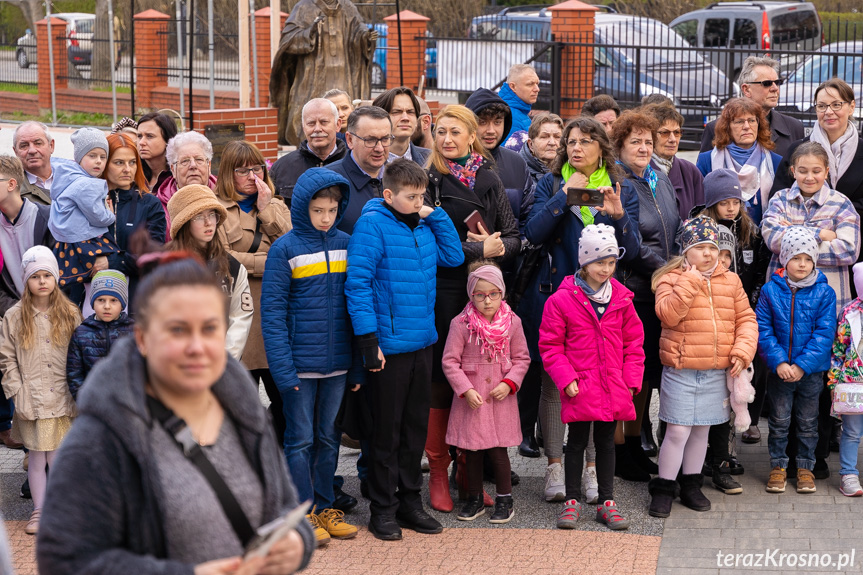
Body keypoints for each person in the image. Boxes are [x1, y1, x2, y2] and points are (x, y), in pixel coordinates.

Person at [36, 256, 314, 574]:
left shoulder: (244, 411)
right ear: (142, 338)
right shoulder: (103, 434)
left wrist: (297, 542)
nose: (196, 346)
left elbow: (284, 507)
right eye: (178, 330)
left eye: (209, 328)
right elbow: (63, 560)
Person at [520, 116, 640, 505]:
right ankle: (556, 464)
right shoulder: (551, 183)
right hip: (558, 296)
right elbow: (532, 233)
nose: (575, 148)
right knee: (556, 384)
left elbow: (633, 250)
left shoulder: (619, 186)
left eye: (586, 141)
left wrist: (619, 215)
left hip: (604, 303)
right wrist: (562, 197)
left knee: (596, 384)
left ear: (601, 146)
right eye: (571, 141)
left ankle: (591, 469)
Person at [346, 158, 463, 540]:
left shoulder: (426, 222)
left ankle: (411, 503)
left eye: (422, 196)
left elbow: (454, 257)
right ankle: (383, 509)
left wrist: (434, 213)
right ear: (388, 195)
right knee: (385, 433)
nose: (418, 202)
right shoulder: (372, 225)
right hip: (387, 348)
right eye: (411, 197)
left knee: (414, 430)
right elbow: (358, 285)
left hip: (422, 343)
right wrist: (369, 342)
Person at [423, 105, 520, 512]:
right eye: (440, 131)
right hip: (446, 291)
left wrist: (499, 248)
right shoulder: (429, 180)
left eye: (455, 131)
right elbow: (427, 240)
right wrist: (480, 247)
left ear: (470, 136)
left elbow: (514, 237)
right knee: (445, 379)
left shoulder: (489, 178)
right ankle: (440, 470)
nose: (447, 139)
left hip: (487, 296)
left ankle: (471, 468)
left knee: (482, 380)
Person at [261, 167, 361, 545]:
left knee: (328, 438)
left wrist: (357, 367)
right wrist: (283, 373)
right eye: (317, 210)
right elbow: (272, 317)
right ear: (302, 207)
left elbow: (356, 308)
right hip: (299, 368)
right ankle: (301, 514)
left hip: (337, 365)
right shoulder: (285, 249)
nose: (325, 217)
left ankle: (324, 506)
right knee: (299, 440)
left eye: (331, 210)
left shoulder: (347, 244)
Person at [648, 216, 758, 518]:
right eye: (700, 247)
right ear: (686, 251)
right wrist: (691, 281)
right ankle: (664, 486)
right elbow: (668, 316)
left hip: (715, 371)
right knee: (678, 431)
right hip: (682, 370)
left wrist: (742, 351)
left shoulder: (731, 281)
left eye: (712, 246)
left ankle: (691, 484)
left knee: (701, 431)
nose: (709, 253)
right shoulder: (670, 279)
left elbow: (746, 320)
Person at [539, 224, 645, 531]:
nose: (607, 269)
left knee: (606, 443)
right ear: (584, 261)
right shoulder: (561, 300)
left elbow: (633, 343)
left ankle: (606, 502)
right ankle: (572, 501)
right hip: (580, 385)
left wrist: (631, 378)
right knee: (575, 443)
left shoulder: (623, 299)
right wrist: (565, 376)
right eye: (600, 262)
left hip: (613, 385)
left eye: (612, 262)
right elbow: (550, 345)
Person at [611, 109, 680, 481]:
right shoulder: (619, 182)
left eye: (647, 142)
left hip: (659, 291)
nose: (643, 147)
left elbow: (675, 226)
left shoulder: (659, 179)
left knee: (648, 375)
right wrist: (669, 269)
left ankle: (637, 443)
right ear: (619, 146)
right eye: (634, 141)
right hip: (633, 291)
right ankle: (621, 451)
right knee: (629, 376)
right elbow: (631, 245)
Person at [695, 169, 771, 486]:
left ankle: (725, 457)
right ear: (711, 203)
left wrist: (749, 303)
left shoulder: (750, 232)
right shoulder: (699, 231)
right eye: (723, 202)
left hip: (740, 314)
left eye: (735, 201)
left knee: (732, 395)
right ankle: (698, 462)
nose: (730, 208)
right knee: (705, 396)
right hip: (705, 321)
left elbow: (758, 272)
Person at [0, 246, 81, 535]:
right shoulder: (14, 316)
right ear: (26, 281)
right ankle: (39, 510)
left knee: (57, 456)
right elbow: (6, 356)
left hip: (62, 396)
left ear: (56, 277)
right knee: (36, 457)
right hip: (30, 399)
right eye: (36, 276)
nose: (43, 281)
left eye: (48, 275)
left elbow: (78, 353)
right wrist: (15, 390)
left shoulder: (70, 313)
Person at [214, 141, 292, 441]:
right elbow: (222, 258)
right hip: (238, 314)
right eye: (242, 170)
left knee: (287, 401)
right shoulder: (217, 209)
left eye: (256, 168)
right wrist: (271, 261)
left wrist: (266, 211)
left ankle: (277, 458)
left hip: (276, 315)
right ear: (227, 174)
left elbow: (293, 250)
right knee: (238, 404)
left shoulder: (276, 205)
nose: (251, 176)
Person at [443, 261, 530, 524]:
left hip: (500, 399)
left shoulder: (513, 323)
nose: (487, 301)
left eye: (493, 294)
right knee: (473, 452)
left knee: (498, 452)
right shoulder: (460, 324)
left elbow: (522, 358)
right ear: (471, 295)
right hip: (474, 401)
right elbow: (449, 361)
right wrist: (465, 389)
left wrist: (509, 383)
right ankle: (474, 498)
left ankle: (505, 499)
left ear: (502, 293)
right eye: (480, 295)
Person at [757, 227, 836, 494]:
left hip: (810, 373)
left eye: (807, 258)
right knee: (778, 421)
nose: (802, 264)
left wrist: (802, 365)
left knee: (808, 422)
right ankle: (778, 467)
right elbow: (763, 329)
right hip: (780, 372)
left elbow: (825, 334)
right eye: (796, 258)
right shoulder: (770, 291)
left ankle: (805, 468)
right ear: (784, 259)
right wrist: (779, 362)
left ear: (814, 261)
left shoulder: (825, 293)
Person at [762, 142, 860, 315]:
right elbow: (772, 238)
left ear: (826, 172)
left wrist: (793, 232)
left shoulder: (841, 203)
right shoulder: (780, 199)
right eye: (802, 171)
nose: (809, 177)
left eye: (816, 171)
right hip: (784, 303)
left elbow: (848, 250)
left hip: (828, 305)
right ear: (793, 171)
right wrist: (820, 234)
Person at [0, 155, 54, 451]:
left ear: (11, 184)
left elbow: (60, 273)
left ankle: (47, 459)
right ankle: (22, 443)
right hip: (13, 312)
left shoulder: (45, 217)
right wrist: (16, 312)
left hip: (49, 310)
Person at [270, 0, 376, 146]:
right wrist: (309, 33)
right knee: (308, 119)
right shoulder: (303, 7)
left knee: (345, 115)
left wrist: (366, 38)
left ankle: (347, 145)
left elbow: (360, 31)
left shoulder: (348, 7)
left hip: (344, 75)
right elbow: (288, 40)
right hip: (313, 77)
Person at [166, 185, 253, 361]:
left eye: (211, 215)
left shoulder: (232, 267)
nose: (208, 223)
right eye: (199, 217)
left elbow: (240, 317)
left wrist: (224, 360)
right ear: (184, 223)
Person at [771, 78, 863, 228]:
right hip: (800, 243)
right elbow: (779, 197)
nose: (828, 112)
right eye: (822, 106)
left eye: (836, 105)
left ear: (851, 107)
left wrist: (832, 216)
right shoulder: (796, 150)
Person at [48, 128, 120, 306]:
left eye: (103, 157)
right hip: (83, 241)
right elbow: (97, 215)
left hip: (65, 240)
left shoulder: (68, 177)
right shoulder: (85, 184)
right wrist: (111, 216)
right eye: (92, 156)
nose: (98, 161)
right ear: (79, 158)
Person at [101, 133, 168, 309]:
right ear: (104, 164)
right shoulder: (89, 202)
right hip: (93, 304)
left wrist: (112, 262)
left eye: (132, 162)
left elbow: (153, 258)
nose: (127, 169)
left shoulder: (149, 204)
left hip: (137, 304)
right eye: (119, 163)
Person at [696, 98, 782, 225]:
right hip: (720, 236)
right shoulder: (707, 160)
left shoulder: (775, 161)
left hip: (762, 237)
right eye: (739, 122)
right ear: (727, 127)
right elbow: (700, 203)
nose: (747, 127)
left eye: (752, 120)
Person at [701, 56, 804, 158]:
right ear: (746, 89)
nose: (775, 88)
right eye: (767, 83)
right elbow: (704, 172)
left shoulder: (794, 127)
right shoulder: (715, 129)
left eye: (777, 82)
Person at [464, 89, 535, 234]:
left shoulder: (517, 163)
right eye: (482, 122)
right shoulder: (453, 164)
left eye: (497, 122)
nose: (491, 130)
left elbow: (527, 217)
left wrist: (514, 247)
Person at [66, 270, 135, 400]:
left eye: (114, 300)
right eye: (101, 300)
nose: (107, 306)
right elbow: (74, 374)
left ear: (122, 304)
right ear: (93, 302)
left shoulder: (133, 332)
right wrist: (85, 399)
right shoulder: (81, 333)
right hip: (93, 405)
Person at [270, 98, 348, 207]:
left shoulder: (353, 164)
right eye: (311, 123)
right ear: (303, 127)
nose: (317, 129)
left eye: (323, 122)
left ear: (338, 124)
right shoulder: (282, 168)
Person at [828, 263, 863, 497]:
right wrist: (834, 381)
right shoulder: (849, 312)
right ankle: (848, 473)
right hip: (853, 383)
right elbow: (838, 350)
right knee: (851, 431)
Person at [330, 106, 393, 235]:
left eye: (385, 139)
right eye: (370, 140)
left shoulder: (402, 178)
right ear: (349, 140)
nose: (380, 148)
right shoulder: (330, 181)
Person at [645, 103, 704, 219]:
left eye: (677, 132)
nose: (673, 139)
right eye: (665, 133)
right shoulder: (640, 170)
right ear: (650, 135)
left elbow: (702, 217)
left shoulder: (690, 171)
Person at [157, 131, 217, 241]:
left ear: (209, 165)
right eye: (185, 161)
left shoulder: (226, 193)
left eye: (199, 159)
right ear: (173, 169)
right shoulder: (158, 207)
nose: (193, 166)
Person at [373, 87, 430, 166]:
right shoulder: (367, 160)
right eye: (396, 112)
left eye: (410, 112)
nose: (405, 118)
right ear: (379, 119)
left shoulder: (431, 160)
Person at [12, 121, 53, 205]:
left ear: (51, 146)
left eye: (38, 143)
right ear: (15, 152)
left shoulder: (71, 176)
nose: (32, 150)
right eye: (24, 146)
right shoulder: (11, 191)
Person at [498, 64, 540, 146]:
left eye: (537, 84)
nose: (537, 89)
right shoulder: (510, 115)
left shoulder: (518, 111)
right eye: (530, 84)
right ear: (513, 86)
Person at [519, 112, 564, 187]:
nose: (552, 143)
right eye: (544, 137)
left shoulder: (571, 171)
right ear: (531, 144)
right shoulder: (518, 171)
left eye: (557, 137)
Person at [137, 112, 178, 192]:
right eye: (139, 136)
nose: (141, 142)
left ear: (168, 140)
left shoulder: (178, 177)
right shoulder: (133, 173)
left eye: (149, 136)